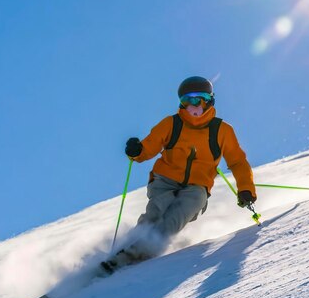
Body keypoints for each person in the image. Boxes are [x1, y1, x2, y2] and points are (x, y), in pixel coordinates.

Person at [101, 76, 257, 273]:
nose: (193, 105)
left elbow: (237, 161)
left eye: (198, 98)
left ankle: (142, 252)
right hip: (164, 180)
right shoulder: (171, 124)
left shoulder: (222, 131)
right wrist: (136, 150)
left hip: (197, 187)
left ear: (209, 100)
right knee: (157, 210)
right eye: (186, 100)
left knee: (179, 213)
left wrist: (245, 189)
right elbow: (148, 148)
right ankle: (124, 251)